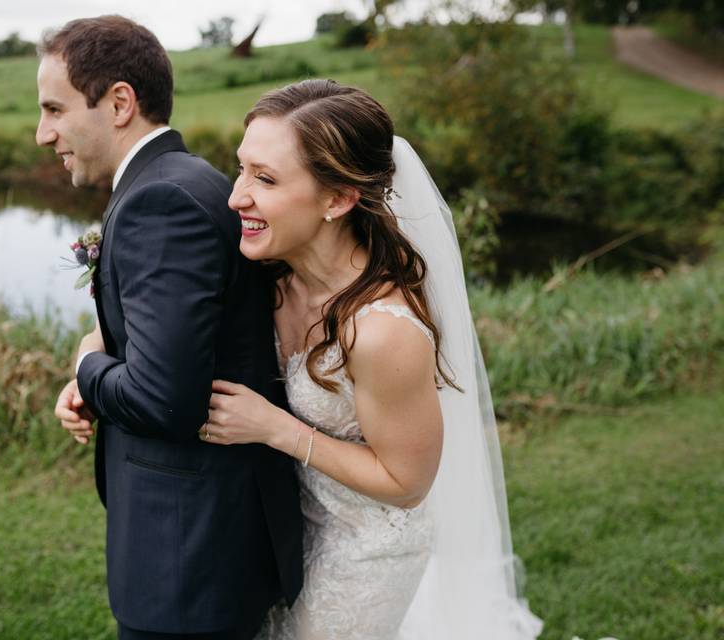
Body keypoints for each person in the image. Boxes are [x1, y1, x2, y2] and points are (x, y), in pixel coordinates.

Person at [199, 79, 544, 640]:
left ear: (337, 200)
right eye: (241, 169)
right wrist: (91, 363)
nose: (237, 195)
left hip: (367, 550)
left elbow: (407, 483)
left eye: (264, 179)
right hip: (284, 534)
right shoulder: (266, 270)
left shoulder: (383, 331)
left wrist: (275, 428)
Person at [41, 16, 303, 639]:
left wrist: (87, 366)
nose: (41, 132)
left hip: (186, 556)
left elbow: (166, 399)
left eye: (55, 109)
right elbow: (182, 348)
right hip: (208, 540)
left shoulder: (160, 204)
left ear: (120, 102)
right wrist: (100, 367)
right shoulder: (185, 180)